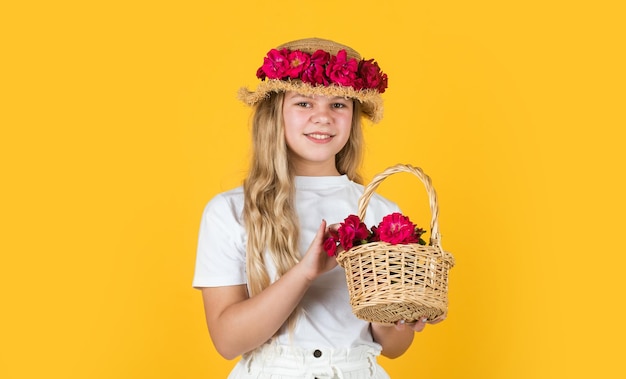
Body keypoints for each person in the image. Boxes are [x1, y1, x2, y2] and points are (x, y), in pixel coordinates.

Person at [193, 37, 443, 379]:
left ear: (353, 116)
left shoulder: (380, 211)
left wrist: (400, 312)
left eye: (338, 105)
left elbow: (392, 348)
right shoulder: (231, 211)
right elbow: (227, 340)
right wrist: (304, 272)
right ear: (275, 112)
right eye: (304, 103)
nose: (323, 117)